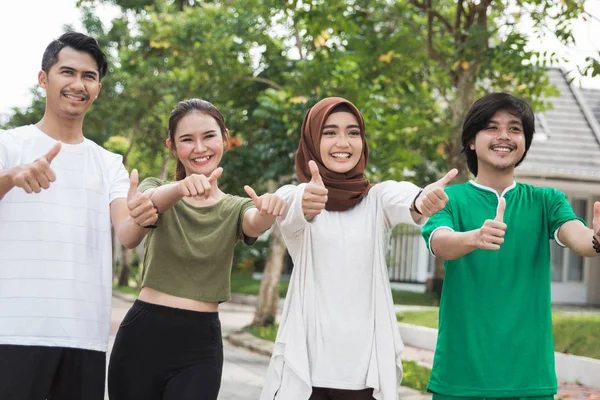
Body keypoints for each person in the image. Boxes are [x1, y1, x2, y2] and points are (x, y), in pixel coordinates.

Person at [260, 97, 457, 400]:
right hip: (306, 370)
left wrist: (422, 200)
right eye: (330, 132)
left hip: (362, 371)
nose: (344, 142)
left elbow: (406, 197)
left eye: (353, 132)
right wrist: (308, 203)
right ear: (312, 140)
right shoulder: (297, 195)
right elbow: (293, 206)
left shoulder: (376, 200)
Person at [0, 32, 157, 400]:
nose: (77, 84)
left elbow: (127, 233)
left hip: (84, 336)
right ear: (44, 79)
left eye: (89, 77)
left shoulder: (108, 163)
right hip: (13, 331)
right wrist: (10, 177)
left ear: (98, 88)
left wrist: (146, 212)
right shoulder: (9, 145)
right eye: (67, 72)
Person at [421, 92, 600, 399]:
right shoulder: (450, 199)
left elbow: (578, 237)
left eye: (515, 128)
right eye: (491, 127)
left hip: (530, 379)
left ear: (525, 143)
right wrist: (474, 238)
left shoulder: (547, 201)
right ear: (472, 142)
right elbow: (439, 243)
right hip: (460, 377)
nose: (504, 136)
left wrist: (596, 239)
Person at [107, 98, 288, 400]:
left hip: (200, 344)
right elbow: (150, 200)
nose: (200, 148)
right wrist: (180, 188)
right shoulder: (160, 191)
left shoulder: (235, 207)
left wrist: (268, 211)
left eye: (208, 136)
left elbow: (254, 222)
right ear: (173, 147)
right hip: (142, 335)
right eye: (187, 140)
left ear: (225, 139)